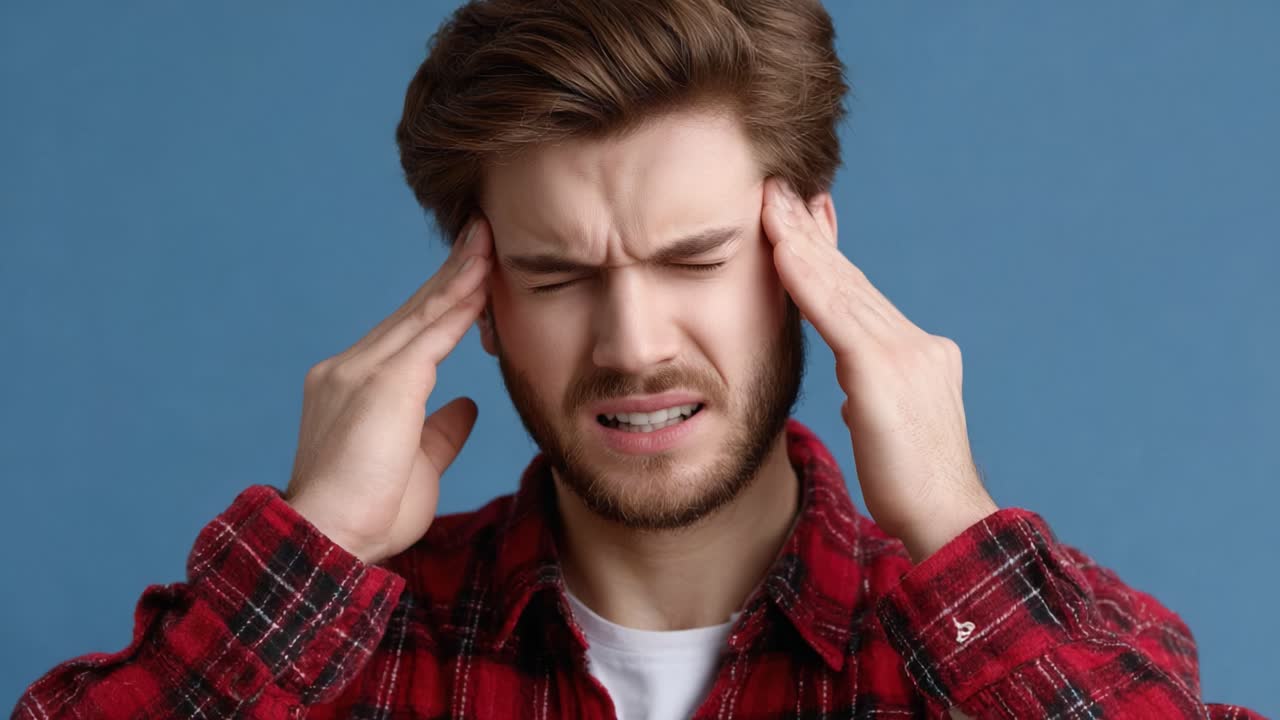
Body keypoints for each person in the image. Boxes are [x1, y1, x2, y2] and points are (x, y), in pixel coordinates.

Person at [11, 1, 1266, 718]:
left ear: (804, 257)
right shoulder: (344, 662)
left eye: (692, 260)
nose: (631, 345)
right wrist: (314, 549)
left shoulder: (994, 653)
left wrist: (949, 520)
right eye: (557, 276)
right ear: (481, 297)